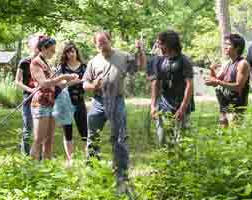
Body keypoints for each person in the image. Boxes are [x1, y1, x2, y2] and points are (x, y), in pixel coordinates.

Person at [83, 31, 146, 191]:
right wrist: (94, 86)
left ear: (110, 41)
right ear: (95, 44)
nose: (101, 44)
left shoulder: (123, 56)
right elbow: (85, 84)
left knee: (119, 138)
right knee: (92, 137)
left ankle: (122, 176)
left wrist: (140, 51)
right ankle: (91, 171)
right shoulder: (93, 62)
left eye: (104, 41)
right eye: (98, 42)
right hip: (98, 102)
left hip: (116, 100)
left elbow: (139, 67)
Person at [29, 36, 79, 160]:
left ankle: (48, 168)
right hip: (41, 104)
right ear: (43, 48)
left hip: (52, 103)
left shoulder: (46, 63)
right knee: (39, 139)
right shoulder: (35, 62)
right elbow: (44, 83)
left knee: (49, 140)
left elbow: (57, 85)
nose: (54, 53)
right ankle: (31, 169)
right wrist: (62, 76)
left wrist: (71, 81)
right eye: (51, 50)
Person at [149, 30, 194, 146]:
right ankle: (167, 161)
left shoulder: (184, 61)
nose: (158, 46)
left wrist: (182, 108)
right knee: (164, 138)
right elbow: (156, 83)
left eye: (160, 43)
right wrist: (153, 105)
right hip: (164, 104)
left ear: (168, 44)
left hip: (181, 103)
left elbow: (189, 85)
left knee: (182, 140)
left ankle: (182, 162)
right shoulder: (159, 60)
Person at [204, 33, 250, 126]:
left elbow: (238, 86)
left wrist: (217, 82)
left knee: (234, 134)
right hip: (224, 105)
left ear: (237, 47)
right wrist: (212, 70)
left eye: (228, 44)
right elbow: (215, 81)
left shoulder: (242, 64)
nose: (225, 47)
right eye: (225, 44)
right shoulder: (227, 63)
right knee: (223, 134)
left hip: (236, 107)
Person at [56, 41, 87, 164]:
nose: (71, 54)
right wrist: (72, 82)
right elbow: (59, 85)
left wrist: (82, 82)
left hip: (79, 100)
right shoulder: (62, 68)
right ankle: (70, 160)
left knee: (84, 130)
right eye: (68, 52)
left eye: (72, 51)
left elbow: (87, 81)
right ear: (65, 54)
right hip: (65, 101)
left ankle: (88, 157)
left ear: (76, 52)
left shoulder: (84, 66)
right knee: (67, 130)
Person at [14, 34, 42, 155]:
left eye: (39, 46)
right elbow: (17, 81)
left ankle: (38, 156)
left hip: (41, 99)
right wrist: (31, 90)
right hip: (28, 98)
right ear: (31, 46)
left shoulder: (42, 62)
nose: (38, 48)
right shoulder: (24, 62)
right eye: (36, 46)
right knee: (28, 127)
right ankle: (25, 155)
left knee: (40, 128)